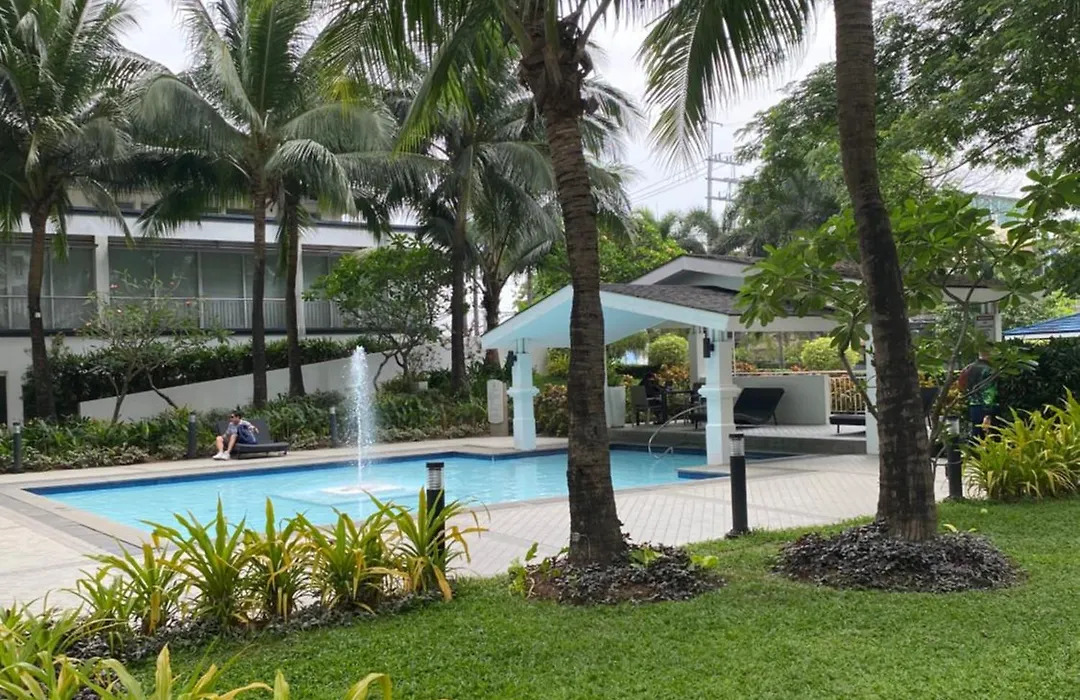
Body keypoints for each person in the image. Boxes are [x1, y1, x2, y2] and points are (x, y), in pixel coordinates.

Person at [959, 349, 998, 442]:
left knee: (976, 436)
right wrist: (988, 413)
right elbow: (990, 392)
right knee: (991, 438)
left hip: (973, 405)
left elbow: (961, 385)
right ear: (990, 353)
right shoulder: (990, 370)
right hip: (987, 407)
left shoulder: (968, 368)